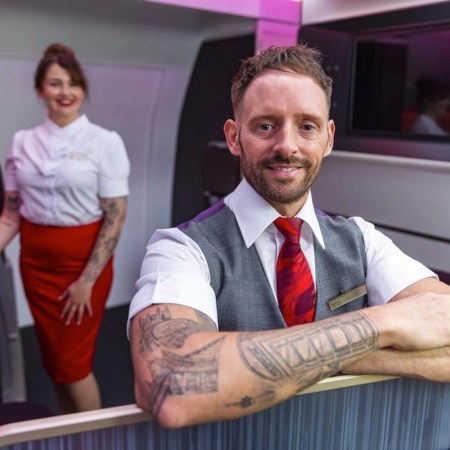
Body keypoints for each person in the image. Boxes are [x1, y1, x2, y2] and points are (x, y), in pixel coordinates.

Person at [128, 44, 450, 429]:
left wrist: (316, 356)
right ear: (234, 137)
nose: (287, 145)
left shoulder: (361, 240)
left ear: (328, 139)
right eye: (265, 125)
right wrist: (384, 324)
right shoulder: (181, 249)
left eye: (307, 126)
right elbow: (173, 384)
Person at [0, 43, 130, 414]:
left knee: (74, 367)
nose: (65, 92)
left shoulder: (104, 143)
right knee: (55, 366)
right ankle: (66, 430)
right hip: (35, 265)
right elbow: (11, 215)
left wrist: (87, 280)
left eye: (73, 84)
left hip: (83, 266)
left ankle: (90, 438)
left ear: (83, 91)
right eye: (55, 84)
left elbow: (115, 216)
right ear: (40, 90)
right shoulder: (22, 143)